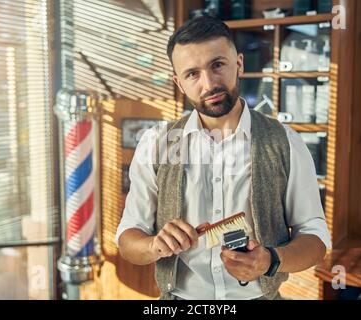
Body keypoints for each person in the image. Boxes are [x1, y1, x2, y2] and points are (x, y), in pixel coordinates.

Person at [115, 16, 331, 300]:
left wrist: (270, 260)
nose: (209, 84)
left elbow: (315, 240)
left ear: (239, 63)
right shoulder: (157, 143)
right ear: (179, 83)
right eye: (192, 74)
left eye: (217, 65)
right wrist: (155, 244)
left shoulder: (285, 142)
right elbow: (128, 239)